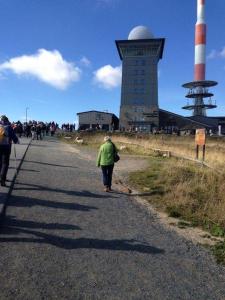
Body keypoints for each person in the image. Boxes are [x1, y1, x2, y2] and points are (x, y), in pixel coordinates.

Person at [0, 115, 19, 186]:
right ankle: (3, 179)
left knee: (0, 163)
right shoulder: (8, 127)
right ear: (7, 121)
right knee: (5, 163)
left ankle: (1, 177)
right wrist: (16, 141)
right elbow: (14, 137)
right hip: (6, 147)